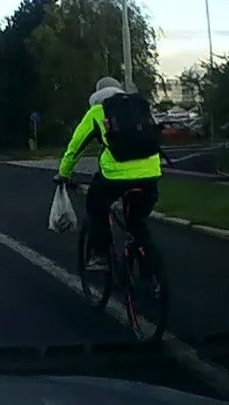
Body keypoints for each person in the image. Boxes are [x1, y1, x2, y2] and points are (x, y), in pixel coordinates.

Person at [54, 77, 161, 270]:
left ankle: (101, 254)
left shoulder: (97, 111)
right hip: (151, 173)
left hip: (115, 177)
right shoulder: (139, 107)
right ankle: (148, 265)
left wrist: (64, 173)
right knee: (136, 221)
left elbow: (75, 147)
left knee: (96, 205)